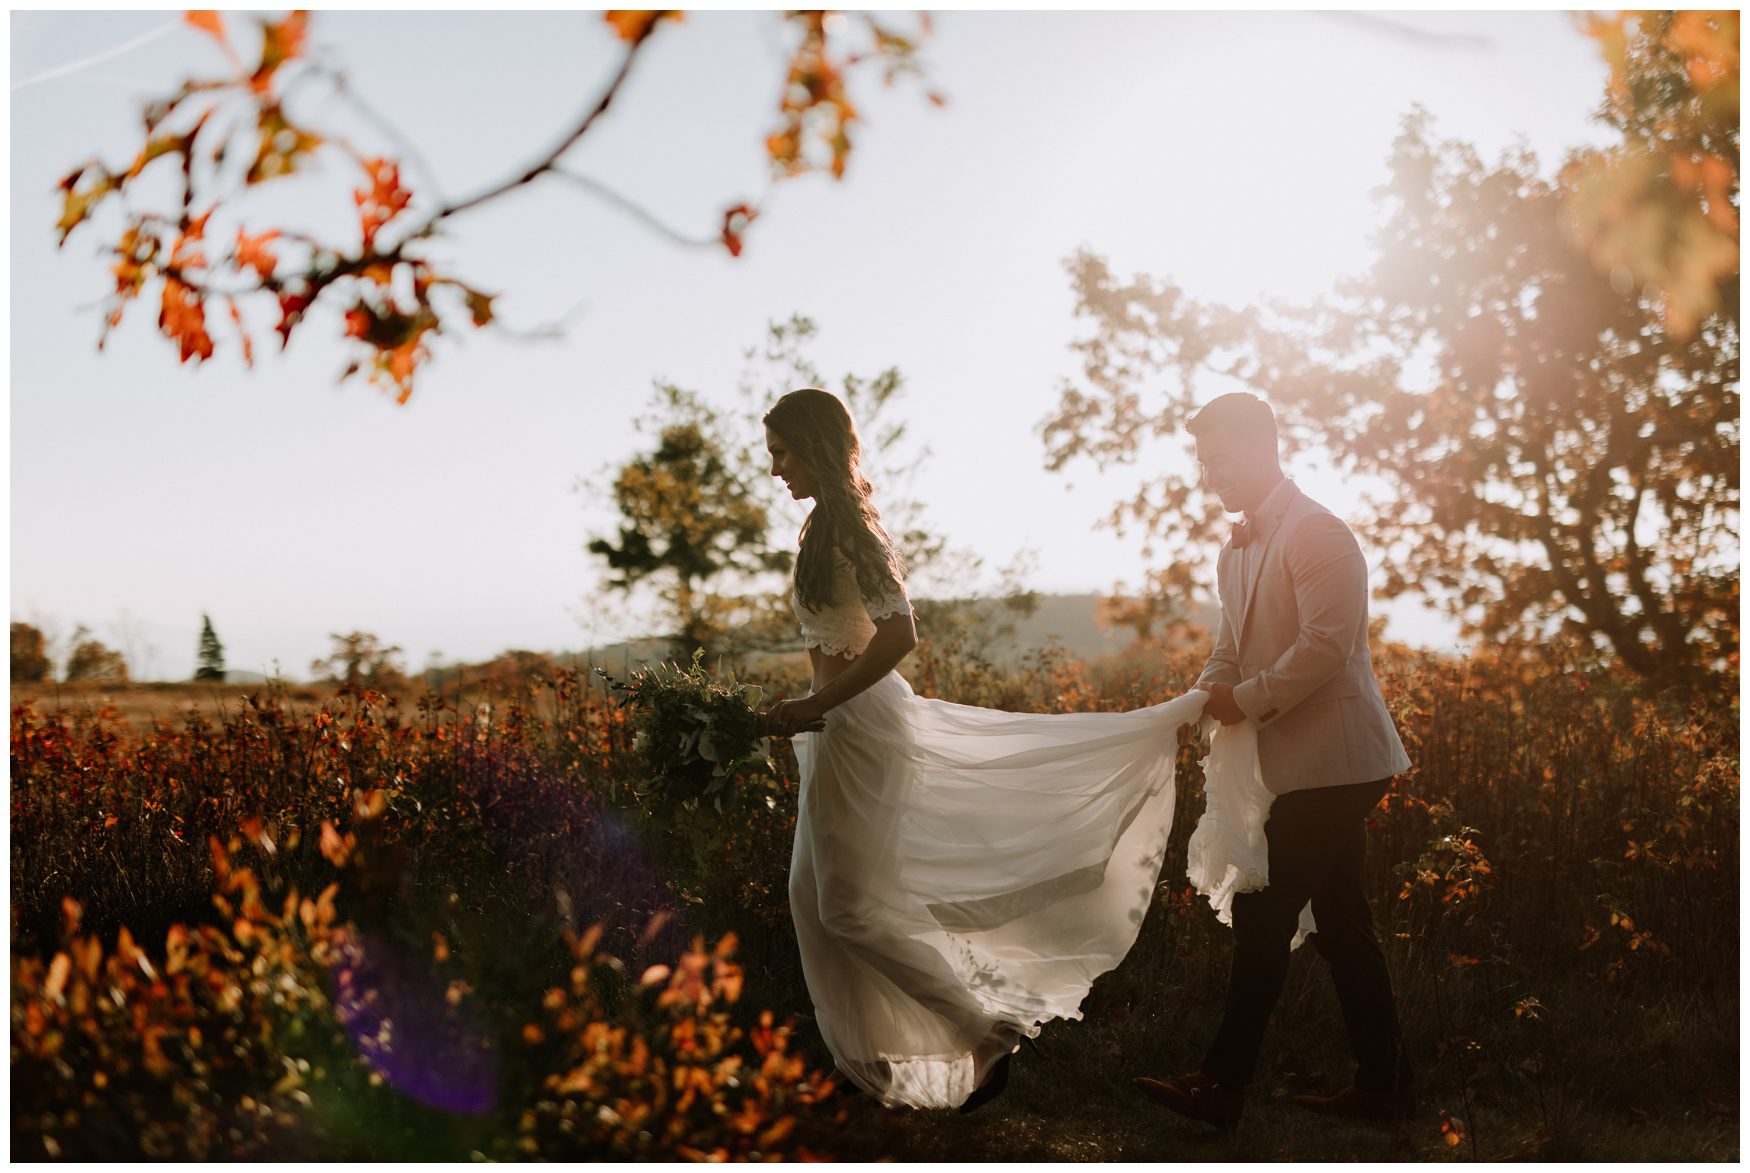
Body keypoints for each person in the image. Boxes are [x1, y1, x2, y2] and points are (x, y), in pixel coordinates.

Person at [759, 387, 1208, 1112]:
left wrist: (818, 703)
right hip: (828, 730)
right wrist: (806, 710)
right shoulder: (818, 530)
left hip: (861, 731)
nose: (774, 468)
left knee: (846, 907)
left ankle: (985, 1031)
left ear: (813, 445)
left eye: (781, 451)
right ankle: (865, 1061)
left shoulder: (858, 533)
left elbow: (900, 634)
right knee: (809, 898)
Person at [1134, 391, 1414, 1129]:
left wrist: (1246, 700)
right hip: (1300, 763)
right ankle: (1384, 1089)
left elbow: (1327, 645)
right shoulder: (1236, 546)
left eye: (1221, 457)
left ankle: (1221, 1086)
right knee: (1344, 927)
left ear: (1263, 446)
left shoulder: (1320, 532)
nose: (1213, 473)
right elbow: (1229, 649)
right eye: (1205, 462)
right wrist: (1190, 707)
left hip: (1342, 759)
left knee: (1263, 912)